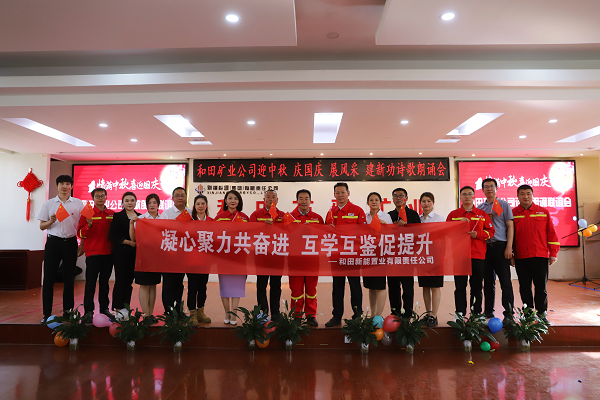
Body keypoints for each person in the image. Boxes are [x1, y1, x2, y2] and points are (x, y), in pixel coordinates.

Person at [511, 184, 560, 325]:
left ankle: (542, 314)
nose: (525, 196)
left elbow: (551, 234)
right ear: (517, 196)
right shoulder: (512, 213)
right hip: (521, 257)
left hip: (540, 256)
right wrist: (511, 254)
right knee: (524, 287)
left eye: (528, 193)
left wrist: (553, 253)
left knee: (541, 287)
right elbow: (510, 236)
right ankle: (528, 314)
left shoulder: (543, 212)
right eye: (522, 194)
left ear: (532, 195)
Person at [38, 175, 84, 323]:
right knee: (48, 279)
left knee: (69, 279)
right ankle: (46, 314)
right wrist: (50, 221)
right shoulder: (49, 204)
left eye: (67, 183)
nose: (65, 186)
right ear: (57, 185)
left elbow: (84, 224)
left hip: (70, 243)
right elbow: (41, 226)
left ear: (71, 186)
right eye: (62, 183)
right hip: (53, 243)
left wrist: (83, 243)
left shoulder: (78, 203)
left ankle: (68, 312)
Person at [447, 186, 495, 317]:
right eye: (464, 194)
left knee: (477, 286)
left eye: (469, 194)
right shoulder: (454, 215)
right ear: (460, 197)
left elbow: (491, 232)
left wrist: (478, 234)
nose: (467, 196)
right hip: (459, 256)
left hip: (477, 255)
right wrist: (457, 225)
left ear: (473, 196)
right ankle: (460, 313)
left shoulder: (482, 214)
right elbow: (447, 232)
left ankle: (476, 314)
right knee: (460, 286)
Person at [325, 182, 366, 327]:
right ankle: (336, 316)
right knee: (337, 287)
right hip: (336, 256)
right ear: (334, 194)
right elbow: (325, 234)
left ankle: (357, 316)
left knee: (355, 287)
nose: (340, 195)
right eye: (337, 192)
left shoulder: (357, 210)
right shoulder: (331, 212)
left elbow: (364, 233)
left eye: (343, 192)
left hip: (352, 255)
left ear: (348, 193)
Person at [477, 178, 515, 322]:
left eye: (492, 186)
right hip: (485, 247)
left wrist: (509, 247)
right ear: (482, 190)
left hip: (501, 246)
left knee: (505, 282)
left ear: (496, 188)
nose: (489, 189)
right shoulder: (480, 208)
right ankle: (488, 311)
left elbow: (510, 226)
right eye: (486, 186)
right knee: (488, 282)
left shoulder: (503, 204)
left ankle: (509, 313)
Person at [77, 187, 115, 323]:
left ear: (106, 197)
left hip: (108, 254)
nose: (100, 198)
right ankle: (88, 311)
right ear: (93, 198)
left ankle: (104, 309)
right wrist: (89, 226)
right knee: (90, 284)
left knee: (105, 284)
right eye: (97, 196)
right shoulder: (87, 213)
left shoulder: (112, 214)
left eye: (102, 196)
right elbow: (80, 233)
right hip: (93, 254)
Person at [289, 189, 324, 326]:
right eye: (301, 198)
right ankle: (296, 315)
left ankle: (311, 315)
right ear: (297, 200)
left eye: (306, 198)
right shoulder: (289, 217)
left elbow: (324, 237)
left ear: (310, 200)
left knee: (311, 289)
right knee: (296, 289)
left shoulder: (317, 218)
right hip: (295, 260)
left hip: (312, 260)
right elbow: (284, 236)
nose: (304, 201)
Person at [249, 190, 285, 321]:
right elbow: (250, 232)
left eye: (273, 197)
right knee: (261, 286)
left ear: (277, 199)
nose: (271, 199)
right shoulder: (256, 215)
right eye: (268, 197)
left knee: (276, 285)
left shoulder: (283, 216)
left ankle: (275, 312)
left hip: (277, 256)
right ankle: (263, 313)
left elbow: (289, 232)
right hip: (261, 256)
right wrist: (263, 227)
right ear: (264, 200)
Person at [215, 190, 249, 325]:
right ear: (225, 201)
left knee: (237, 287)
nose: (233, 201)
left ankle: (234, 314)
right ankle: (227, 312)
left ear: (239, 201)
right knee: (224, 286)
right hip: (223, 257)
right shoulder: (219, 217)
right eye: (230, 198)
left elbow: (251, 235)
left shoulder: (245, 217)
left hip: (239, 257)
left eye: (235, 198)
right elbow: (214, 236)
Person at [387, 187, 421, 317]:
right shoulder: (388, 215)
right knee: (393, 287)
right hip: (392, 256)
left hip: (407, 256)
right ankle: (395, 313)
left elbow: (419, 233)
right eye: (395, 196)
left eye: (401, 196)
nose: (398, 198)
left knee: (407, 287)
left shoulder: (413, 214)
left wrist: (407, 226)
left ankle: (408, 314)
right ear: (392, 199)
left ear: (406, 198)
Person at [129, 193, 162, 324]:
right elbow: (133, 238)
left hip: (157, 257)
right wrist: (131, 223)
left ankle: (151, 314)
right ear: (146, 205)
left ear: (158, 204)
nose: (152, 205)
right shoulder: (141, 219)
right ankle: (145, 314)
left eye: (154, 202)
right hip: (143, 256)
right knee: (144, 285)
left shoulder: (163, 219)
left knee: (153, 285)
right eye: (149, 203)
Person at [159, 187, 191, 314]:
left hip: (184, 255)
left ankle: (178, 310)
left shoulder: (190, 213)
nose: (180, 197)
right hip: (169, 255)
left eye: (182, 195)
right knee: (168, 284)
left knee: (179, 284)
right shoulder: (166, 214)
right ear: (172, 198)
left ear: (186, 197)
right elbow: (160, 232)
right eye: (177, 195)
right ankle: (168, 312)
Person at [109, 191, 140, 317]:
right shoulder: (118, 216)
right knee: (120, 281)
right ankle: (118, 308)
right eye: (126, 200)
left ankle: (126, 308)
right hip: (120, 253)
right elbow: (113, 236)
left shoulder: (140, 216)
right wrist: (129, 242)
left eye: (132, 200)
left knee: (129, 282)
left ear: (136, 202)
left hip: (134, 254)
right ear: (122, 202)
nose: (129, 203)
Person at [417, 192, 445, 327]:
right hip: (422, 256)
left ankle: (434, 315)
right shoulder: (418, 219)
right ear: (420, 203)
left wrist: (442, 255)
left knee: (435, 286)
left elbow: (443, 239)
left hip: (435, 255)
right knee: (425, 286)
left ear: (433, 203)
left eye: (429, 201)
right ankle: (428, 313)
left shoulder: (439, 218)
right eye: (423, 201)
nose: (426, 203)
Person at [364, 192, 393, 318]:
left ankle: (379, 315)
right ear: (368, 203)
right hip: (368, 254)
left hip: (381, 254)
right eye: (371, 200)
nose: (374, 202)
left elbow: (392, 234)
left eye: (376, 199)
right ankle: (373, 314)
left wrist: (385, 226)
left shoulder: (386, 216)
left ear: (381, 202)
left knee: (380, 285)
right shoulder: (364, 217)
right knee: (371, 286)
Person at [187, 194, 213, 326]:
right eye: (198, 204)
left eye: (203, 203)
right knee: (193, 287)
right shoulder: (189, 221)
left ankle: (200, 311)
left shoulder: (212, 222)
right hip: (191, 260)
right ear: (194, 206)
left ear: (206, 206)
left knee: (203, 287)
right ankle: (192, 313)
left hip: (206, 261)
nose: (200, 206)